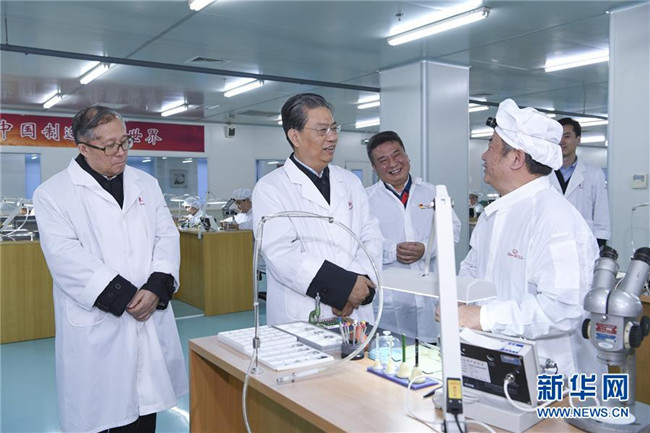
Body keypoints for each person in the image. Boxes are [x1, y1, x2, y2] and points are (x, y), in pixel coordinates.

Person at [33, 106, 188, 433]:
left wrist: (156, 286)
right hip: (99, 323)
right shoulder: (53, 194)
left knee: (146, 411)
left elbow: (166, 235)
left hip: (148, 312)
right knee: (104, 415)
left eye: (125, 142)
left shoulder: (146, 184)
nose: (121, 152)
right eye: (109, 146)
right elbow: (65, 257)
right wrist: (126, 296)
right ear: (83, 148)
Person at [447, 99, 603, 377]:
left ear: (517, 159)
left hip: (550, 374)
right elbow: (472, 268)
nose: (483, 156)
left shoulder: (556, 218)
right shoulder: (493, 215)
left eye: (491, 147)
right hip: (496, 362)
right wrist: (457, 301)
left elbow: (563, 309)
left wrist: (483, 316)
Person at [252, 93, 383, 325]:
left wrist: (360, 285)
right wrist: (343, 288)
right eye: (322, 130)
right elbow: (281, 254)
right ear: (295, 136)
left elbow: (370, 235)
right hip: (303, 313)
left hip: (357, 308)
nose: (332, 137)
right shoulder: (270, 188)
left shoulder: (350, 182)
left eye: (334, 128)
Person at [365, 130, 460, 341]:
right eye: (383, 160)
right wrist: (392, 251)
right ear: (374, 167)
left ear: (407, 156)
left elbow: (452, 232)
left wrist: (426, 249)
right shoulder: (366, 200)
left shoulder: (433, 193)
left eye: (396, 155)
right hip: (390, 302)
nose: (392, 164)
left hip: (430, 297)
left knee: (433, 351)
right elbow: (360, 243)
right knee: (391, 351)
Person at [550, 117, 611, 247]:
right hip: (550, 239)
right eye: (558, 137)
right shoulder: (543, 173)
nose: (561, 142)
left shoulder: (594, 173)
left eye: (567, 136)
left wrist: (600, 242)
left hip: (583, 242)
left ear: (578, 139)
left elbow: (601, 212)